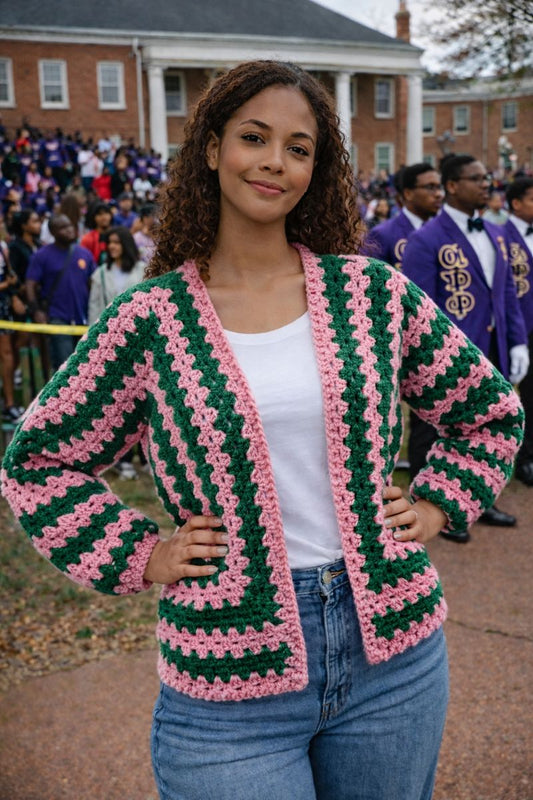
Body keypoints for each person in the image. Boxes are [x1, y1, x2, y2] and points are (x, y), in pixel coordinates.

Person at [2, 62, 524, 800]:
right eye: (254, 137)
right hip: (226, 681)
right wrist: (138, 552)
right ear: (212, 149)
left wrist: (438, 503)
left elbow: (487, 412)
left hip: (394, 662)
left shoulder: (370, 294)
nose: (275, 161)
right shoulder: (148, 321)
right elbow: (38, 460)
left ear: (317, 168)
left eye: (299, 147)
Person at [403, 153, 528, 542]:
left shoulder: (496, 234)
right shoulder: (426, 239)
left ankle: (478, 500)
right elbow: (418, 305)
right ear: (453, 186)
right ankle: (433, 509)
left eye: (486, 177)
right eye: (476, 178)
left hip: (493, 347)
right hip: (447, 355)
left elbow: (505, 292)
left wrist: (518, 340)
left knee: (484, 425)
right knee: (430, 430)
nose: (486, 184)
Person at [25, 213, 96, 372]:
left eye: (70, 225)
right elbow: (30, 284)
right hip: (57, 317)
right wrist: (36, 310)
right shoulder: (42, 255)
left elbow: (93, 284)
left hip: (82, 317)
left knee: (85, 364)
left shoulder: (84, 253)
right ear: (53, 232)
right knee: (65, 366)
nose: (69, 230)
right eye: (63, 228)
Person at [504, 178, 533, 485]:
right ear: (516, 204)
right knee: (518, 399)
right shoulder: (500, 236)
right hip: (519, 328)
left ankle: (529, 456)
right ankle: (519, 458)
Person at [362, 162, 443, 269]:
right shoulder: (383, 234)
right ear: (408, 193)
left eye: (439, 187)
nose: (438, 194)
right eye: (430, 187)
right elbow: (369, 278)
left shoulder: (443, 231)